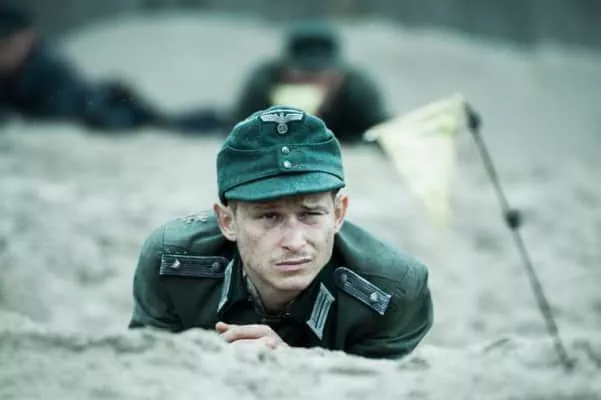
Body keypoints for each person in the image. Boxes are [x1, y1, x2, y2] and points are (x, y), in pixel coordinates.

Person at [129, 105, 433, 359]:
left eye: (310, 214)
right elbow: (144, 372)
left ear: (339, 213)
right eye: (268, 216)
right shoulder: (172, 263)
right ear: (227, 222)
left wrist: (290, 364)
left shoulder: (391, 291)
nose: (294, 242)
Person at [0, 4, 223, 133]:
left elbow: (61, 117)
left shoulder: (46, 69)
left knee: (169, 127)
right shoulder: (25, 69)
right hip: (106, 107)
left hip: (110, 109)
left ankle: (221, 120)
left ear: (27, 38)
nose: (3, 52)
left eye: (6, 44)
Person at [231, 21, 389, 143]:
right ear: (283, 74)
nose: (312, 84)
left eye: (320, 76)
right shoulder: (264, 85)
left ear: (339, 77)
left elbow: (384, 134)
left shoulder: (356, 91)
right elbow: (236, 130)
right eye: (302, 76)